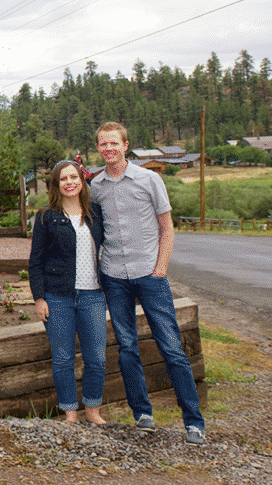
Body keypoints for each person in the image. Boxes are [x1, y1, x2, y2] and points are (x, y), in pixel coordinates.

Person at [91, 122, 206, 446]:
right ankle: (142, 413)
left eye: (114, 143)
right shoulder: (97, 186)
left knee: (171, 347)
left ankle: (193, 421)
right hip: (114, 276)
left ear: (126, 145)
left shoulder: (149, 179)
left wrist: (160, 269)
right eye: (103, 144)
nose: (109, 148)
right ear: (98, 148)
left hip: (149, 275)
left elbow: (167, 228)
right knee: (127, 347)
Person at [28, 159, 107, 425]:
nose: (69, 182)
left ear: (82, 181)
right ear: (56, 184)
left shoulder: (95, 213)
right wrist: (39, 298)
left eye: (74, 177)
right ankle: (70, 414)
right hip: (58, 297)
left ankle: (93, 411)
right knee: (63, 359)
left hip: (93, 295)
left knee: (96, 358)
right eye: (63, 179)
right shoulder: (46, 217)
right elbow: (35, 261)